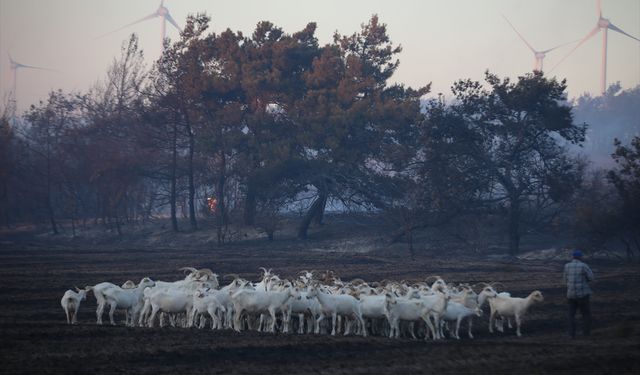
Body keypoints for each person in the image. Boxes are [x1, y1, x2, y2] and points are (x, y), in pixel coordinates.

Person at [563, 250, 594, 338]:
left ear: (573, 257)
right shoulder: (583, 266)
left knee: (571, 315)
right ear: (580, 257)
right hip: (583, 294)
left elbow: (565, 280)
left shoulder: (567, 266)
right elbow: (591, 278)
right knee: (586, 314)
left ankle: (571, 335)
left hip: (571, 295)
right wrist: (585, 281)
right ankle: (586, 334)